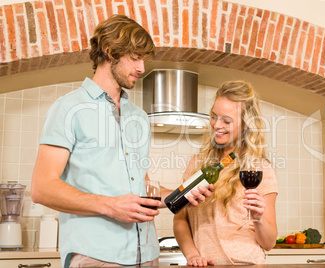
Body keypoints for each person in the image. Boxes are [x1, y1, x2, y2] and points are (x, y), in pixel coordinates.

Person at [31, 14, 212, 268]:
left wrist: (183, 192)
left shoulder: (137, 116)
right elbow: (42, 187)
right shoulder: (69, 108)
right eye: (135, 58)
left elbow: (143, 191)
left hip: (148, 256)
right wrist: (110, 206)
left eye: (143, 60)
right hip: (96, 257)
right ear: (109, 52)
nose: (141, 68)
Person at [173, 81, 278, 266]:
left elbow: (269, 243)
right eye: (214, 117)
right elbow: (180, 219)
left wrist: (258, 218)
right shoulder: (198, 164)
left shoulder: (260, 168)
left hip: (247, 263)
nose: (216, 125)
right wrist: (192, 255)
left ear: (246, 125)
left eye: (226, 120)